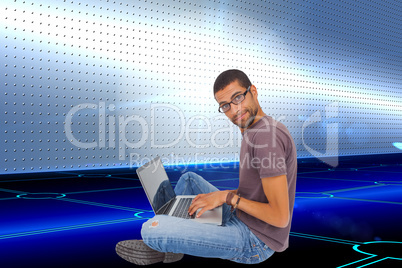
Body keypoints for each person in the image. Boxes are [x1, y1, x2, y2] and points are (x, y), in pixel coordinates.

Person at [115, 69, 297, 265]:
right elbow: (258, 191)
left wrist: (227, 197)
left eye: (238, 98)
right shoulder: (256, 128)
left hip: (255, 240)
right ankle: (177, 232)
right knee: (189, 179)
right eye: (225, 105)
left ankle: (167, 239)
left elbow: (279, 217)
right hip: (243, 215)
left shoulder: (264, 137)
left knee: (151, 228)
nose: (235, 110)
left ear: (253, 90)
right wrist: (224, 196)